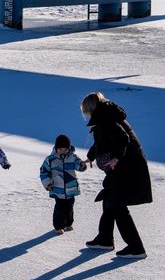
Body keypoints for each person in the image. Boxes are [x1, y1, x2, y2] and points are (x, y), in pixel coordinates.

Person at [81, 92, 152, 259]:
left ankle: (136, 248)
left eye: (85, 111)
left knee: (117, 204)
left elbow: (123, 138)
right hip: (128, 165)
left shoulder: (105, 120)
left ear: (90, 109)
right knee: (109, 200)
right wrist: (90, 158)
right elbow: (101, 142)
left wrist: (116, 158)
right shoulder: (106, 116)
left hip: (127, 166)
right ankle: (105, 239)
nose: (85, 114)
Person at [40, 134, 87, 233]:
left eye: (65, 149)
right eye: (60, 149)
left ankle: (69, 224)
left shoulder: (72, 157)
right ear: (56, 148)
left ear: (69, 149)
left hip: (71, 189)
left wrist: (82, 165)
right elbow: (44, 172)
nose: (63, 151)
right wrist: (48, 184)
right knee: (60, 208)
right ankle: (59, 226)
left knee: (69, 208)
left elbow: (78, 165)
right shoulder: (50, 159)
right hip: (58, 189)